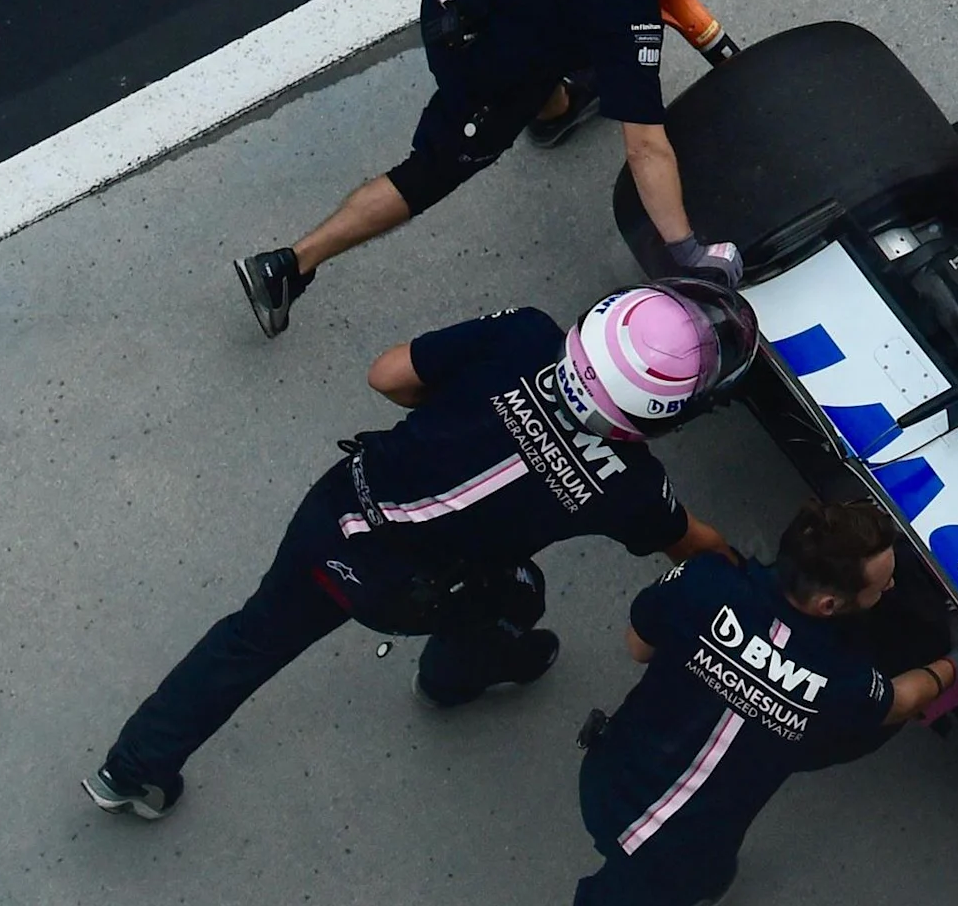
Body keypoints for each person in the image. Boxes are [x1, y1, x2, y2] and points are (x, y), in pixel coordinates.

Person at [83, 281, 761, 820]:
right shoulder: (632, 486)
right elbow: (692, 547)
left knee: (247, 640)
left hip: (337, 513)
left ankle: (131, 769)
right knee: (519, 594)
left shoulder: (525, 335)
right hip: (410, 585)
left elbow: (388, 376)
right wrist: (750, 583)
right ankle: (449, 680)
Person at [424, 497, 958, 906]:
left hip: (608, 778)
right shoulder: (846, 686)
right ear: (827, 605)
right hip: (670, 858)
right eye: (882, 584)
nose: (891, 588)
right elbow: (898, 701)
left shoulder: (703, 582)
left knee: (669, 860)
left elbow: (638, 646)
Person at [234, 0, 785, 336]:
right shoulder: (626, 12)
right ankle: (289, 265)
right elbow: (646, 147)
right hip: (479, 59)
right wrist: (686, 251)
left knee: (548, 62)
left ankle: (554, 111)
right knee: (430, 172)